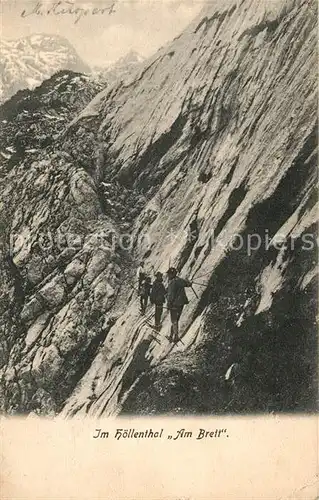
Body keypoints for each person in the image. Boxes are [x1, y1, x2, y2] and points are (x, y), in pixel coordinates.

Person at [166, 267, 192, 342]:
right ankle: (171, 335)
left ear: (172, 274)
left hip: (174, 304)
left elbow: (170, 295)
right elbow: (188, 284)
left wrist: (168, 303)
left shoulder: (172, 282)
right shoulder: (180, 280)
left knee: (174, 320)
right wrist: (189, 282)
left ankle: (175, 336)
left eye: (169, 274)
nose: (168, 276)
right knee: (176, 319)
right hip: (181, 303)